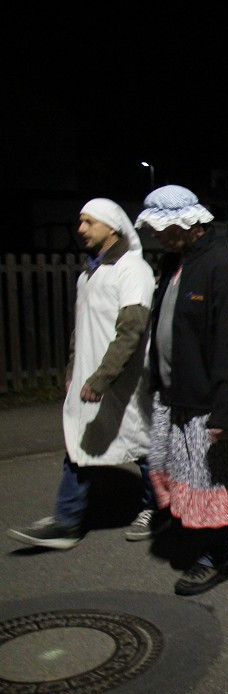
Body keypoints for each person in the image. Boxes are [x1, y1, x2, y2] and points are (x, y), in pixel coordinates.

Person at [7, 199, 157, 550]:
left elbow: (131, 330)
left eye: (89, 222)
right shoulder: (88, 274)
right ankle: (67, 520)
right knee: (80, 443)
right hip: (90, 381)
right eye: (81, 222)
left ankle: (158, 509)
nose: (81, 229)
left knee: (142, 445)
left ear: (112, 227)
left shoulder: (133, 269)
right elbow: (82, 329)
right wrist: (74, 370)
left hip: (123, 382)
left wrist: (103, 376)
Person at [138, 185, 228, 594]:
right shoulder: (175, 263)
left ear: (189, 223)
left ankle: (219, 556)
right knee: (183, 476)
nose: (154, 234)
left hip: (208, 403)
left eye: (162, 226)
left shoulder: (221, 268)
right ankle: (198, 536)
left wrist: (225, 413)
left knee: (213, 481)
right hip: (175, 396)